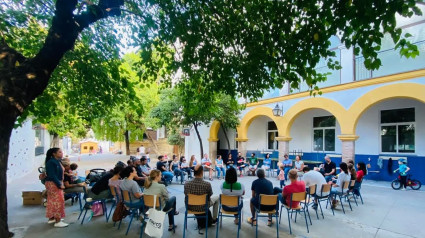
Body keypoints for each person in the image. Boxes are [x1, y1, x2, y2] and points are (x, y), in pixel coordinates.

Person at [44, 148, 68, 227]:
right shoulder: (51, 162)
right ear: (54, 154)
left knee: (52, 201)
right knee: (58, 201)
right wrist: (59, 184)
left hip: (54, 182)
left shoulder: (57, 161)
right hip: (53, 183)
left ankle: (52, 218)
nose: (62, 153)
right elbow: (52, 175)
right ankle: (58, 221)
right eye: (60, 152)